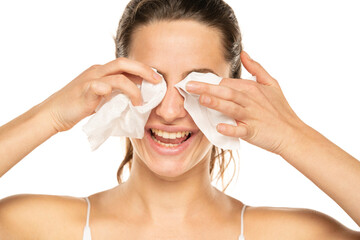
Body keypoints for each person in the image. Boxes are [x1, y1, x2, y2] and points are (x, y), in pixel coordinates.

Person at [0, 0, 359, 239]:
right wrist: (51, 115)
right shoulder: (39, 226)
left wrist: (291, 135)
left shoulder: (287, 234)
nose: (169, 111)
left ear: (232, 94)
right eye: (152, 81)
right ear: (117, 85)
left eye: (195, 84)